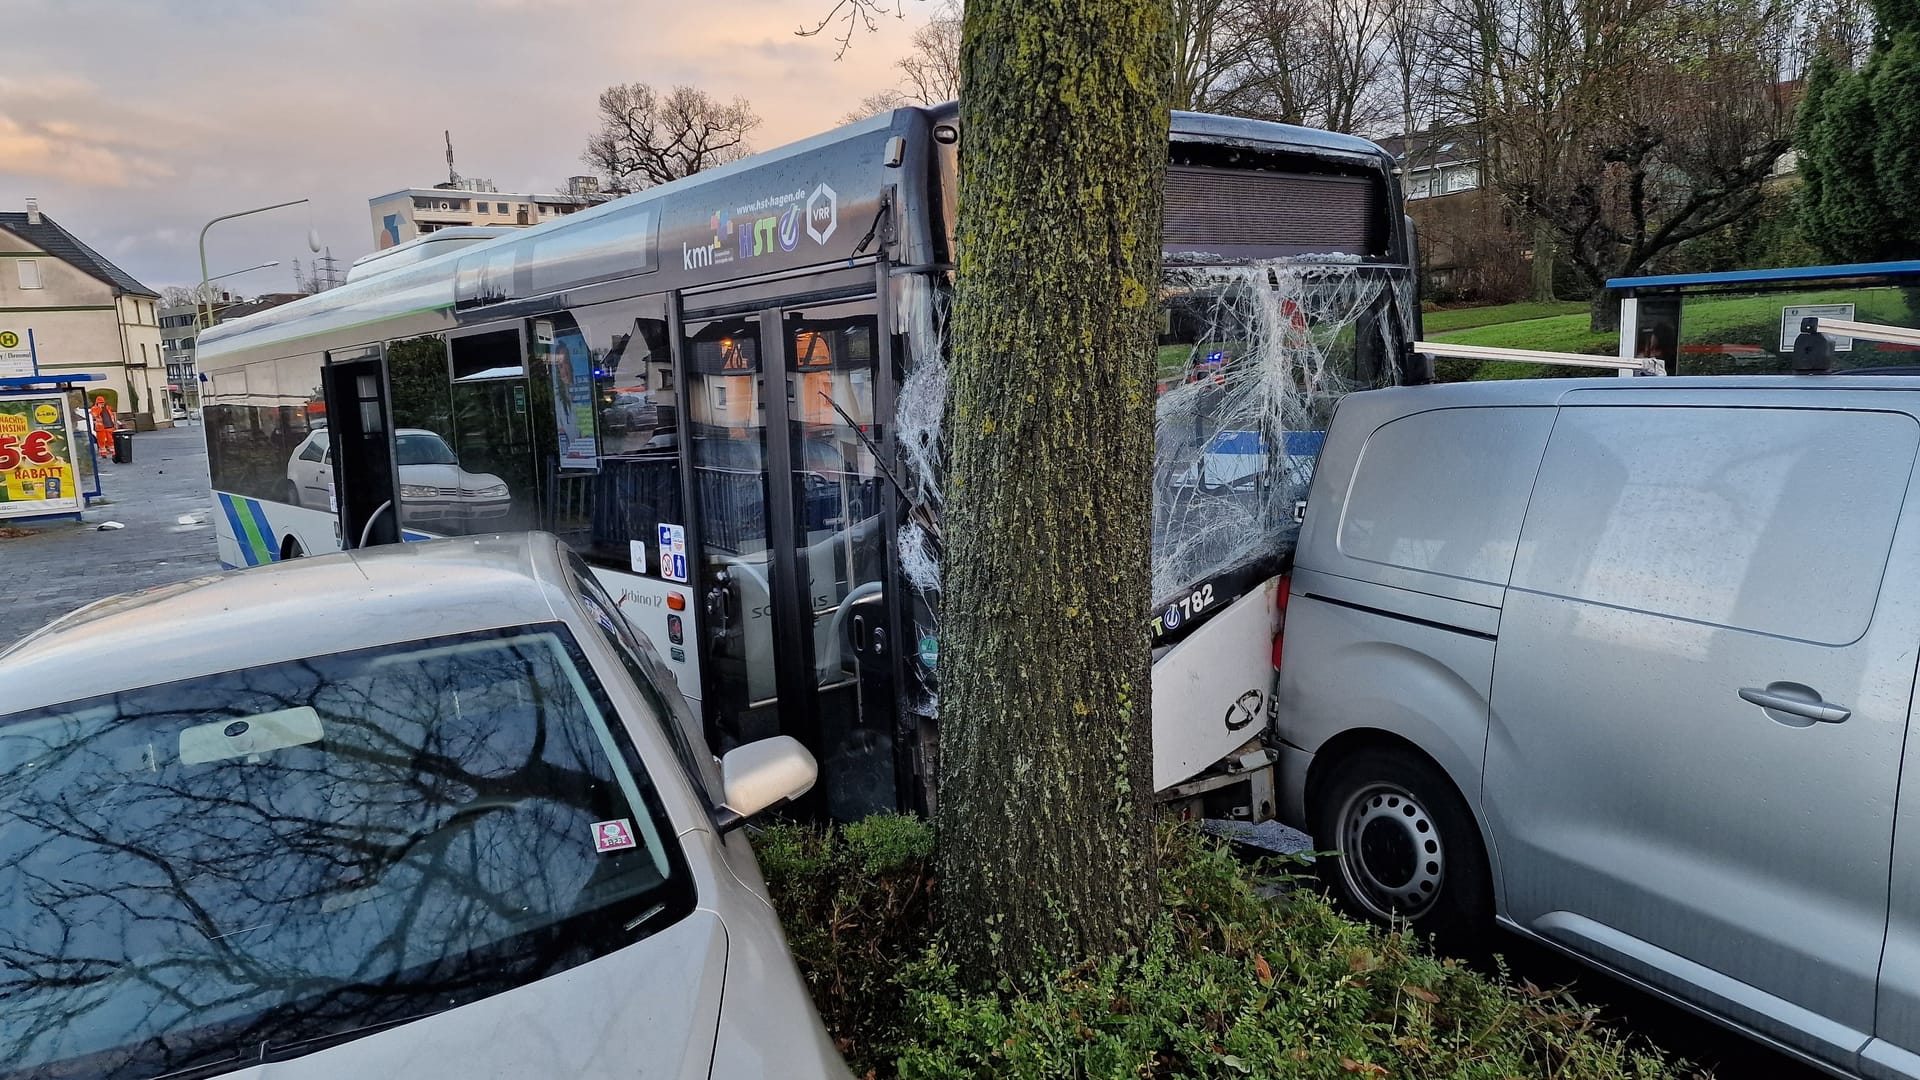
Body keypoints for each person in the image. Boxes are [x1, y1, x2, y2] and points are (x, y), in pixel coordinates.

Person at [90, 396, 116, 461]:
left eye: (102, 402)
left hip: (109, 427)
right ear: (97, 403)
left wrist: (114, 425)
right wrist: (99, 408)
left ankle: (113, 452)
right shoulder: (94, 408)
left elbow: (111, 416)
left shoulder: (107, 408)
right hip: (100, 428)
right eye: (100, 402)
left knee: (111, 441)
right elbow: (95, 415)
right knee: (101, 441)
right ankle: (103, 453)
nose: (102, 404)